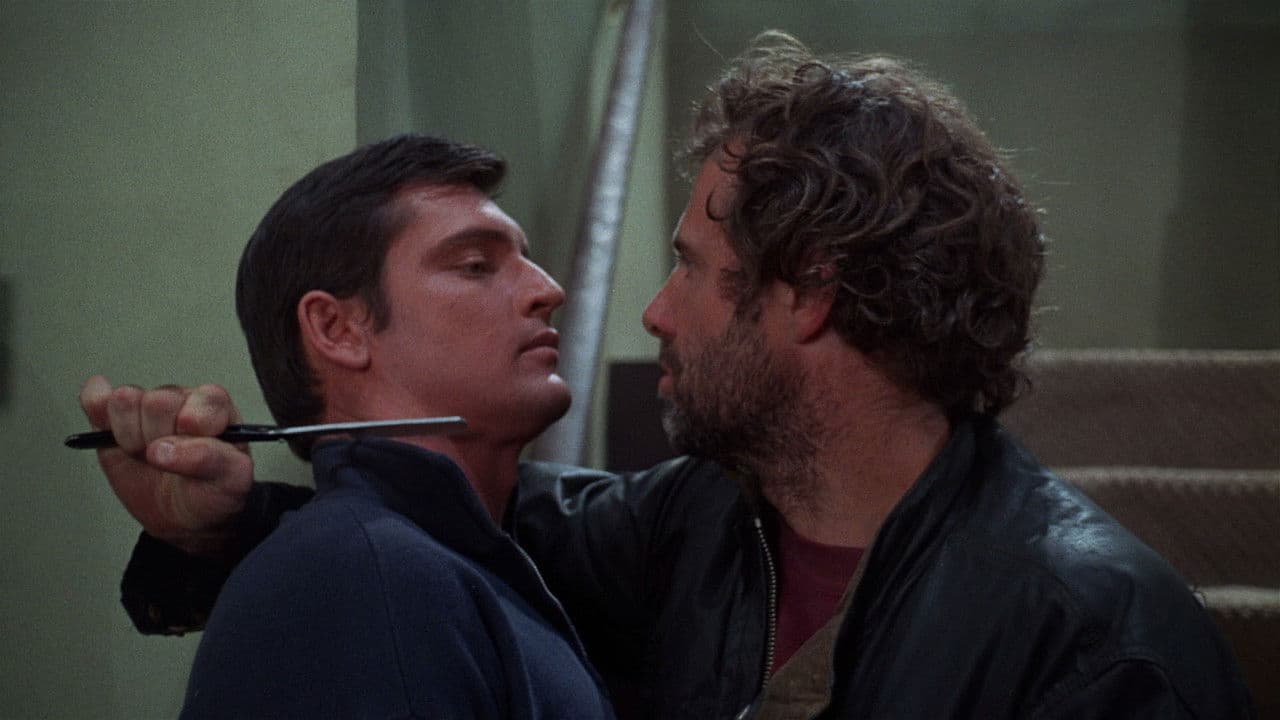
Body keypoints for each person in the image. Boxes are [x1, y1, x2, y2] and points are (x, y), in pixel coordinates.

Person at [82, 33, 1254, 719]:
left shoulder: (1096, 639)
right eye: (476, 263)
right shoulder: (691, 529)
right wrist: (223, 525)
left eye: (688, 266)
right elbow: (441, 534)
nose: (648, 311)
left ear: (810, 293)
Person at [82, 134, 617, 718]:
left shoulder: (424, 562)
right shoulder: (368, 574)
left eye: (524, 259)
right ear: (337, 330)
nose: (548, 289)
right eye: (475, 265)